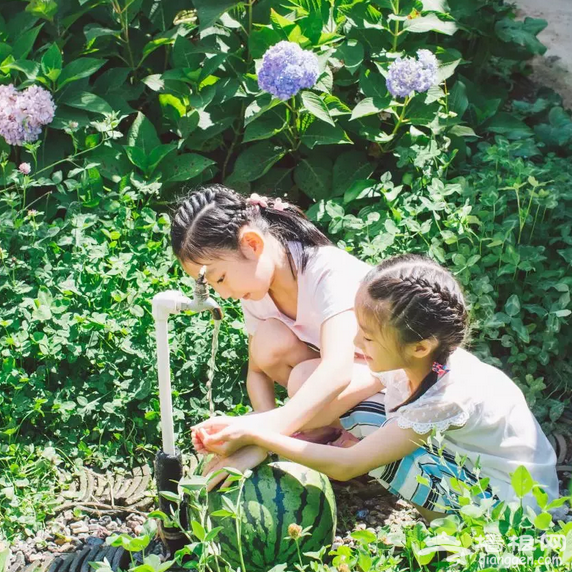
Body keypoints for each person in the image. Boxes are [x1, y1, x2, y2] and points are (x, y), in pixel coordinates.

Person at [195, 254, 560, 522]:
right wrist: (252, 431)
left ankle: (450, 529)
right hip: (484, 473)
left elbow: (347, 465)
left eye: (367, 337)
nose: (355, 340)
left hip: (514, 511)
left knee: (370, 430)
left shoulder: (447, 396)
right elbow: (330, 401)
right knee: (354, 406)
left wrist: (261, 439)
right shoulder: (421, 362)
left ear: (419, 346)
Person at [171, 184, 380, 469]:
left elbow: (337, 371)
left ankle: (355, 436)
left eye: (220, 279)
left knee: (306, 378)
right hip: (356, 380)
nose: (224, 294)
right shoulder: (257, 290)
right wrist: (264, 422)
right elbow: (256, 371)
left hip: (396, 377)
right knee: (268, 342)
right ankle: (321, 433)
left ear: (252, 244)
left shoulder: (326, 272)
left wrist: (262, 435)